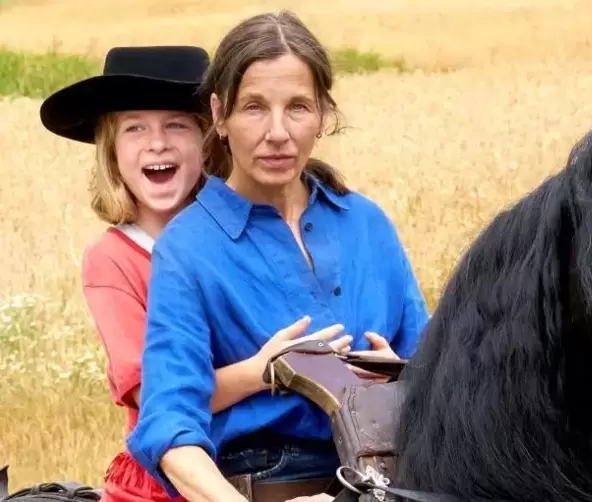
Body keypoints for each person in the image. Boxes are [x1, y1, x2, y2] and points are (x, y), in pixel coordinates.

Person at [125, 10, 430, 502]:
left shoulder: (367, 223)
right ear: (219, 115)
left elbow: (441, 376)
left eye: (297, 107)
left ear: (323, 114)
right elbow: (169, 427)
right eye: (253, 108)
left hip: (397, 482)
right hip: (267, 486)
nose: (277, 132)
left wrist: (402, 375)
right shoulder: (188, 248)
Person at [39, 45, 349, 502]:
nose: (157, 143)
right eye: (135, 129)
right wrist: (264, 372)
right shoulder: (113, 260)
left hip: (268, 465)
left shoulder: (248, 234)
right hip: (168, 483)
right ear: (112, 151)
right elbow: (155, 398)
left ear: (211, 138)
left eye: (177, 126)